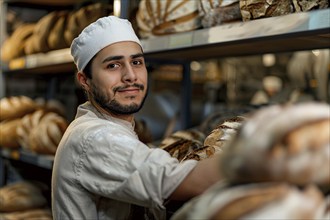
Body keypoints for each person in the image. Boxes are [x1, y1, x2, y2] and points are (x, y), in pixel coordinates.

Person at [51, 16, 222, 220]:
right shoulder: (94, 137)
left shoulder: (115, 128)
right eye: (113, 65)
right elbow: (175, 181)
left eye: (137, 62)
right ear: (84, 81)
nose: (130, 75)